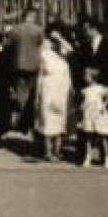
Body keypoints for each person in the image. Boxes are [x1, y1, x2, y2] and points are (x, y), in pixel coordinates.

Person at [4, 7, 44, 138]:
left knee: (21, 94)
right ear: (32, 16)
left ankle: (22, 121)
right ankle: (31, 120)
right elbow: (41, 46)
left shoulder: (14, 30)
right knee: (34, 94)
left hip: (18, 66)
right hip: (34, 66)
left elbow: (6, 47)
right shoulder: (38, 30)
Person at [35, 32, 73, 161]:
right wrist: (37, 95)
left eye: (51, 41)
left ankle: (57, 150)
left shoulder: (62, 57)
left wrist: (59, 38)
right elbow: (40, 75)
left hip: (61, 91)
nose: (48, 43)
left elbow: (70, 49)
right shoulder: (44, 54)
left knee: (60, 121)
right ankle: (47, 151)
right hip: (48, 89)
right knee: (47, 120)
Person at [77, 66, 108, 168]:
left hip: (99, 115)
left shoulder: (100, 89)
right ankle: (88, 157)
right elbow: (85, 102)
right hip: (89, 115)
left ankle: (107, 158)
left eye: (86, 76)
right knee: (88, 137)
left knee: (103, 136)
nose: (84, 78)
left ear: (92, 77)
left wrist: (104, 106)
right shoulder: (85, 90)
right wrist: (82, 106)